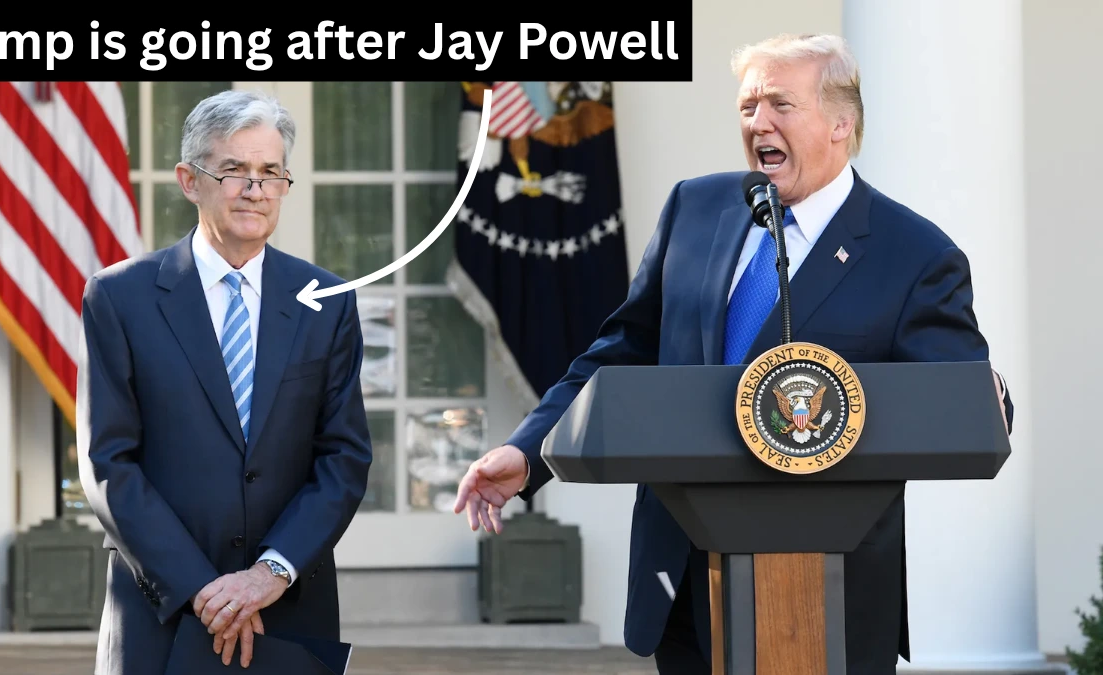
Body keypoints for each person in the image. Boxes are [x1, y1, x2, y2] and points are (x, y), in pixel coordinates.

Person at [453, 33, 1014, 675]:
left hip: (829, 593)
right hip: (687, 580)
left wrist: (989, 401)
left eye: (780, 104)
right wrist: (528, 452)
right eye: (748, 107)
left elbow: (962, 402)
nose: (758, 124)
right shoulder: (698, 208)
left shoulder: (913, 254)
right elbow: (623, 351)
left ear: (842, 122)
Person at [77, 89, 372, 674]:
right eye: (234, 170)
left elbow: (343, 458)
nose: (254, 190)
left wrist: (269, 573)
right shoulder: (118, 296)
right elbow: (108, 460)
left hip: (286, 609)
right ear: (190, 181)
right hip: (162, 609)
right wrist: (202, 590)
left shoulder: (327, 302)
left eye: (270, 172)